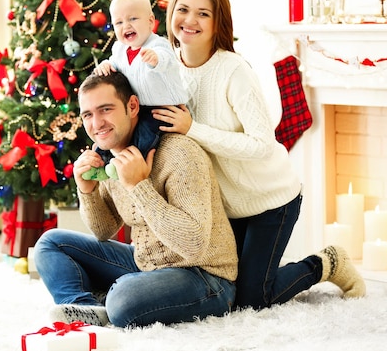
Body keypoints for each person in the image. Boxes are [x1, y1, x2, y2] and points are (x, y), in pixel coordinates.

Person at [152, 0, 366, 310]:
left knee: (252, 300)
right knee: (226, 291)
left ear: (218, 21)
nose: (190, 21)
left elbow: (262, 144)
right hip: (225, 209)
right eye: (183, 9)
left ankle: (326, 262)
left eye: (203, 14)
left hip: (270, 200)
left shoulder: (234, 71)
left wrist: (193, 128)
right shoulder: (165, 68)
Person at [33, 71, 237, 328]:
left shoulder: (179, 152)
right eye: (87, 115)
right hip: (146, 263)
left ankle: (113, 301)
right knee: (50, 243)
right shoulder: (108, 156)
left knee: (122, 299)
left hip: (204, 276)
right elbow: (104, 230)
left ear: (132, 106)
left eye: (105, 109)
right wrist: (87, 190)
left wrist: (138, 186)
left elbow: (193, 243)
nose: (96, 124)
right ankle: (86, 309)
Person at [83, 0, 188, 181]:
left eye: (133, 19)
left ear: (150, 22)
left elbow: (170, 60)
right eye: (119, 22)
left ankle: (130, 162)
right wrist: (106, 64)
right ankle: (100, 162)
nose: (126, 26)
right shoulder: (120, 49)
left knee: (145, 133)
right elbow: (115, 63)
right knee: (112, 137)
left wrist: (157, 60)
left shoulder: (157, 45)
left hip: (162, 106)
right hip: (138, 106)